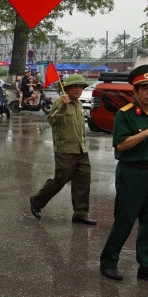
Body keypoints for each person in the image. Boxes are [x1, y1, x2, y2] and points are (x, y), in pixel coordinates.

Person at [99, 65, 148, 284]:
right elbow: (121, 144)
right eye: (145, 89)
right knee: (125, 220)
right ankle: (108, 262)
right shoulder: (126, 114)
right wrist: (146, 133)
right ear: (135, 92)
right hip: (131, 174)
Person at [30, 73, 95, 224]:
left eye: (81, 87)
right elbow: (52, 121)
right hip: (65, 149)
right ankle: (37, 201)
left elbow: (80, 129)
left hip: (80, 150)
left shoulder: (78, 104)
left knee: (83, 180)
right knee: (61, 179)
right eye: (76, 87)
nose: (79, 89)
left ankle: (80, 214)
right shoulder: (61, 102)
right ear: (68, 88)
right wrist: (63, 107)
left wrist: (84, 146)